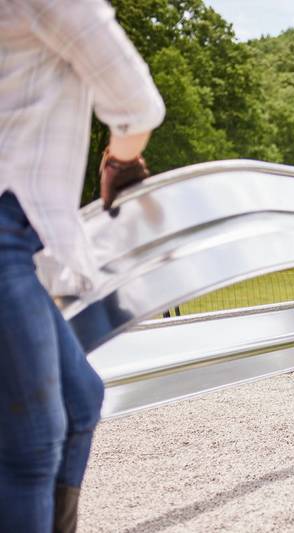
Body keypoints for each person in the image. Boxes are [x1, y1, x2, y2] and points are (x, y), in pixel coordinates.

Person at [0, 1, 165, 531]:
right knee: (31, 447)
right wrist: (120, 161)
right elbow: (136, 105)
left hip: (18, 239)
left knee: (79, 398)